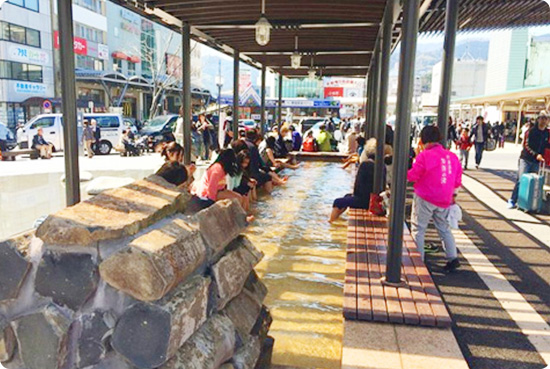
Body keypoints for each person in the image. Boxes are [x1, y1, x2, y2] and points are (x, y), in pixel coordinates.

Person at [407, 126, 462, 272]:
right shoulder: (452, 156)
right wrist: (453, 195)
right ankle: (452, 257)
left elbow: (413, 175)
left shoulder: (424, 156)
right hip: (444, 198)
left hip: (425, 196)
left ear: (422, 140)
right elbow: (457, 179)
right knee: (444, 228)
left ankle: (418, 261)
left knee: (419, 228)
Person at [507, 111, 550, 209]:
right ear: (538, 119)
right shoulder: (531, 131)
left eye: (545, 118)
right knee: (521, 179)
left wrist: (541, 155)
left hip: (536, 161)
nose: (543, 121)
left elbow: (546, 145)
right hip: (526, 159)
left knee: (532, 182)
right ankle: (513, 200)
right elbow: (527, 145)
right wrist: (536, 155)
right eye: (541, 118)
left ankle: (526, 203)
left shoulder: (547, 133)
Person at [330, 138, 378, 222]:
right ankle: (337, 219)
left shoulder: (365, 165)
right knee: (347, 196)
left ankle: (331, 221)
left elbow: (358, 185)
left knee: (337, 201)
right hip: (373, 199)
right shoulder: (379, 165)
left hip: (365, 201)